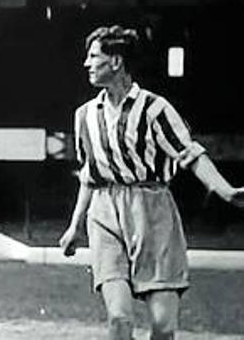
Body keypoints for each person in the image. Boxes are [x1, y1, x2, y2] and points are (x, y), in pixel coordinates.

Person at [59, 25, 244, 340]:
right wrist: (76, 226)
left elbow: (191, 155)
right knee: (119, 318)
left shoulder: (155, 109)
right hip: (105, 212)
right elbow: (90, 176)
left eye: (93, 56)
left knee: (163, 325)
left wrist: (226, 190)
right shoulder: (85, 116)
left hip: (153, 212)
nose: (87, 64)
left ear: (116, 61)